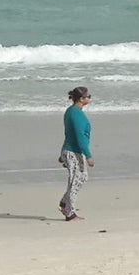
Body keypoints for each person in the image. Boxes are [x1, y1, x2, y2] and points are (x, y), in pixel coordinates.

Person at [59, 85, 94, 220]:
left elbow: (69, 134)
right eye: (88, 96)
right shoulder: (76, 114)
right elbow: (79, 136)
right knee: (75, 181)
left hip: (69, 150)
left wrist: (61, 153)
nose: (90, 98)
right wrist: (89, 155)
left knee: (81, 177)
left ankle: (64, 201)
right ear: (81, 99)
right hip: (74, 152)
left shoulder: (71, 111)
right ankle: (70, 213)